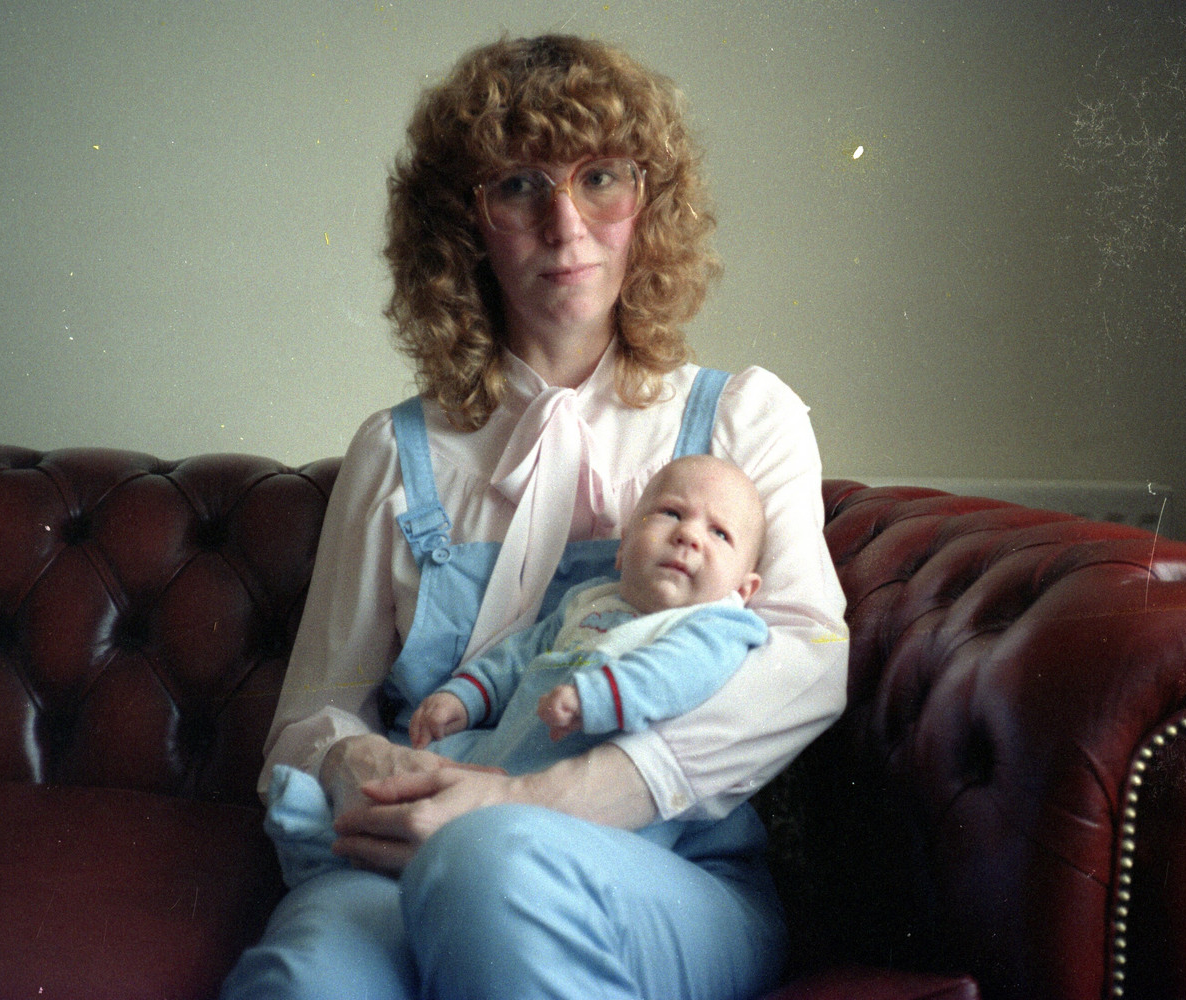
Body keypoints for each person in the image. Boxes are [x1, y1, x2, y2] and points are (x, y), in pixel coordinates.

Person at [222, 33, 849, 1000]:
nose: (565, 224)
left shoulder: (740, 418)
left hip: (669, 870)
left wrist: (529, 800)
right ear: (463, 226)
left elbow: (808, 660)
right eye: (518, 186)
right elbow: (312, 712)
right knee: (304, 982)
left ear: (650, 204)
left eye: (600, 177)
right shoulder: (395, 451)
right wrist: (359, 765)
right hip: (404, 856)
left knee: (494, 863)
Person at [406, 454, 770, 777]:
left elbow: (679, 672)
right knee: (415, 765)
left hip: (592, 793)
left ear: (743, 590)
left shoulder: (719, 625)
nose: (688, 534)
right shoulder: (588, 600)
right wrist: (466, 696)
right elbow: (519, 656)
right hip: (501, 755)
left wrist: (598, 697)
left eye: (720, 533)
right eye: (671, 513)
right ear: (623, 547)